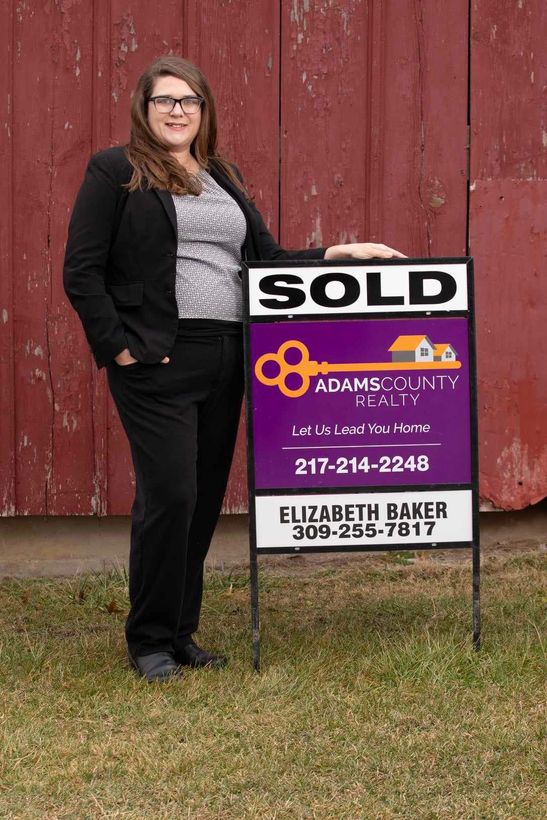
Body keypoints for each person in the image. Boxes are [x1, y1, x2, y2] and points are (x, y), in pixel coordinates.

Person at [63, 55, 405, 681]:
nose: (176, 111)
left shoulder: (222, 174)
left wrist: (339, 252)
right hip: (156, 358)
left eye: (188, 101)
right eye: (164, 100)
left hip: (227, 356)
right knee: (170, 494)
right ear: (144, 109)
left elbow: (266, 259)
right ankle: (148, 641)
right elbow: (81, 270)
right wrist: (118, 347)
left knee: (200, 503)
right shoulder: (118, 171)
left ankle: (180, 633)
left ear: (203, 111)